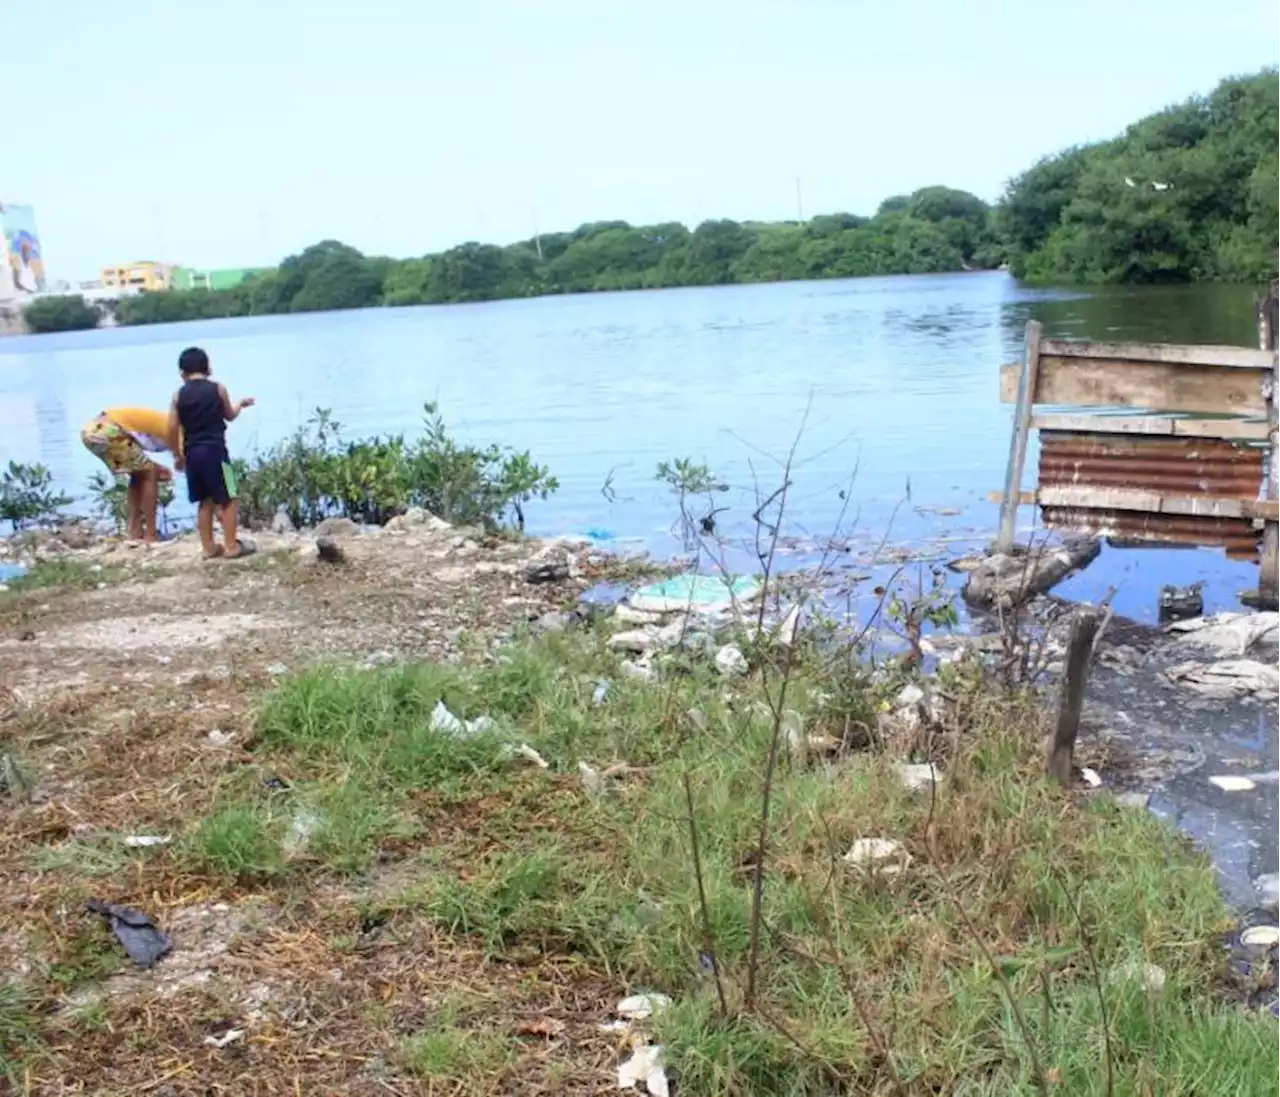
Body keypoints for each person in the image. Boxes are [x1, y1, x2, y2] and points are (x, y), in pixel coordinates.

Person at [168, 346, 256, 560]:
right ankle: (231, 545)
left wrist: (177, 455)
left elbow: (171, 427)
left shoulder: (178, 395)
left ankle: (208, 547)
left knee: (204, 500)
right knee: (230, 498)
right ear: (209, 369)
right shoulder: (218, 389)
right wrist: (239, 406)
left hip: (192, 453)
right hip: (216, 451)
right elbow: (229, 415)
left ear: (182, 374)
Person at [80, 407, 176, 542]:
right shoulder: (180, 431)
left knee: (138, 474)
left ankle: (134, 531)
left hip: (91, 430)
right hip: (108, 431)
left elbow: (133, 446)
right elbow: (189, 466)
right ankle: (151, 534)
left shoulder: (169, 423)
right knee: (150, 473)